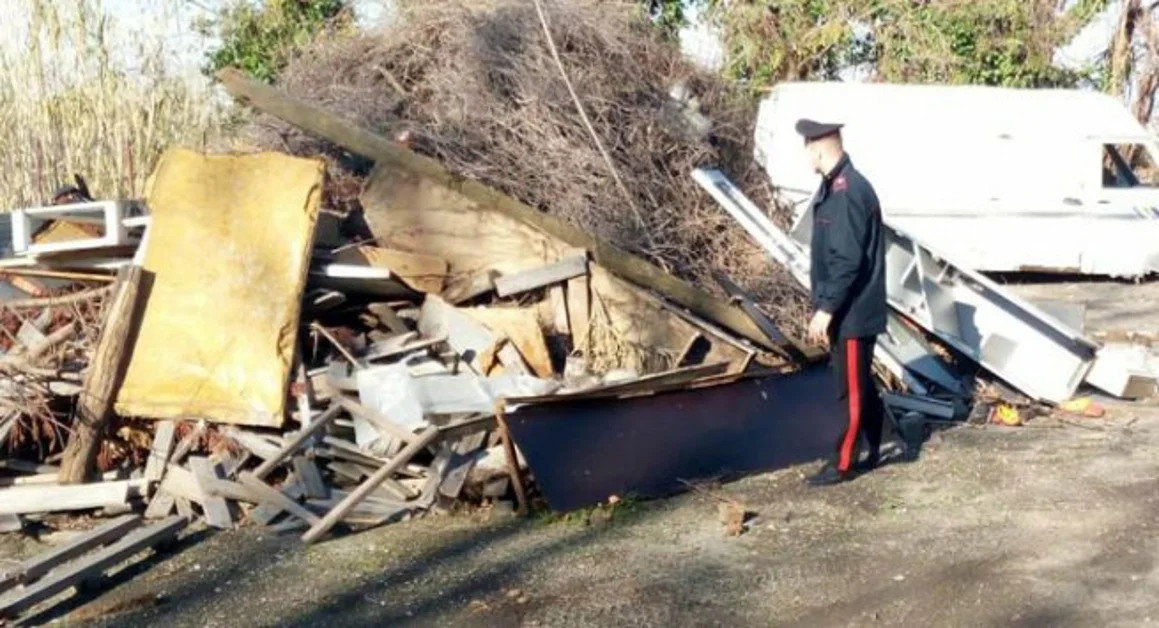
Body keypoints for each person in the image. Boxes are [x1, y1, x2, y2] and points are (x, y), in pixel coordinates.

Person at [795, 118, 888, 487]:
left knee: (849, 392)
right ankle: (879, 444)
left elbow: (847, 261)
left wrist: (827, 309)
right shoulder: (833, 187)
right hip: (846, 309)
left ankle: (843, 463)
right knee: (858, 384)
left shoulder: (848, 192)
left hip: (852, 312)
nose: (805, 156)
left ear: (819, 147)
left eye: (806, 148)